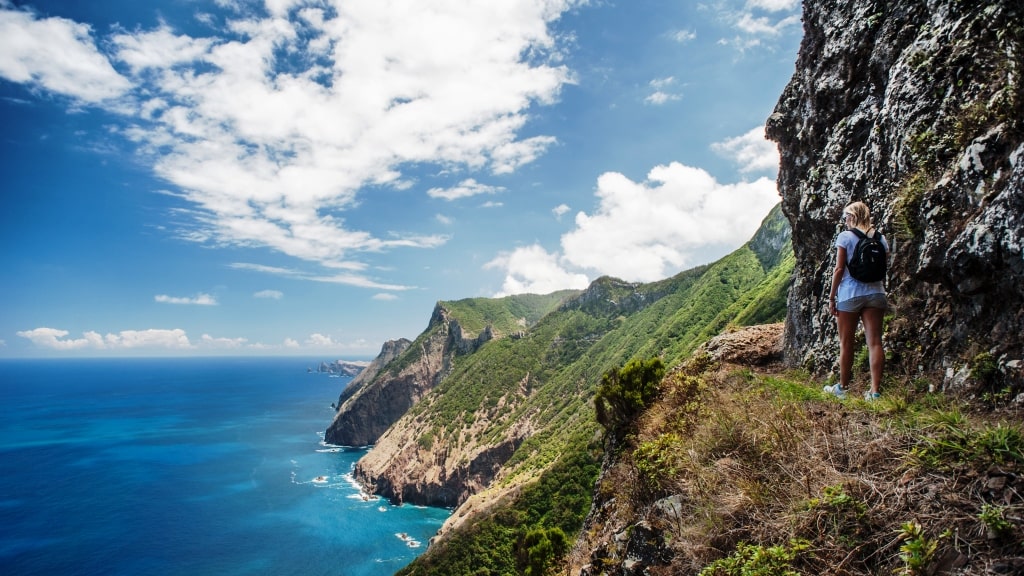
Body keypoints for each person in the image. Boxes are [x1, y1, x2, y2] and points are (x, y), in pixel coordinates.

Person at [823, 201, 889, 401]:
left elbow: (839, 269)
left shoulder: (845, 237)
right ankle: (874, 392)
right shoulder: (881, 238)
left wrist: (832, 296)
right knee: (875, 342)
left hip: (849, 295)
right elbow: (883, 266)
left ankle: (843, 388)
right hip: (876, 293)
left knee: (846, 344)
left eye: (846, 217)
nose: (845, 221)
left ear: (852, 216)